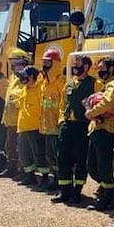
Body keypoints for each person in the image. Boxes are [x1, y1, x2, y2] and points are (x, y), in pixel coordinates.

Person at [52, 54, 101, 205]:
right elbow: (63, 103)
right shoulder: (69, 83)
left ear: (86, 67)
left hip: (82, 125)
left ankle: (77, 191)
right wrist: (61, 120)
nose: (75, 67)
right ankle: (64, 191)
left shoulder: (95, 83)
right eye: (74, 64)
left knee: (81, 158)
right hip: (67, 124)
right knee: (62, 157)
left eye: (78, 64)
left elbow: (99, 103)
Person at [85, 57, 114, 211]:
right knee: (92, 166)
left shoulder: (113, 85)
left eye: (102, 68)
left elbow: (108, 102)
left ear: (111, 69)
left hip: (106, 129)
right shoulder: (104, 86)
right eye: (98, 68)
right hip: (96, 128)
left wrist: (91, 112)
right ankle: (113, 192)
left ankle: (108, 196)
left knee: (103, 166)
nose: (99, 71)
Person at [0, 49, 30, 179]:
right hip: (10, 119)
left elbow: (26, 96)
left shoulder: (27, 78)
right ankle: (11, 168)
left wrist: (16, 102)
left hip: (21, 120)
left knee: (21, 148)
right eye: (12, 64)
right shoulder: (13, 78)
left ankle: (23, 171)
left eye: (17, 63)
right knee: (10, 146)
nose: (14, 66)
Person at [39, 49, 66, 190]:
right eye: (44, 62)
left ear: (55, 63)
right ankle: (55, 177)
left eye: (47, 62)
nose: (45, 65)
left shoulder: (60, 81)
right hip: (47, 126)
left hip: (56, 126)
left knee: (58, 155)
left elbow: (64, 102)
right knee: (49, 155)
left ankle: (61, 180)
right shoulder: (45, 82)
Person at [15, 66, 45, 185]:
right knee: (24, 153)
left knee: (39, 154)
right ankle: (29, 175)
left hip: (34, 127)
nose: (21, 78)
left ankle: (45, 177)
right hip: (22, 126)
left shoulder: (39, 89)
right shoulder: (24, 89)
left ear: (32, 76)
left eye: (24, 75)